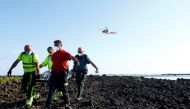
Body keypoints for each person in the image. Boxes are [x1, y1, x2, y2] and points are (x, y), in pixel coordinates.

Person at [45, 40, 79, 109]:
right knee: (51, 91)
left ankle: (67, 104)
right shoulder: (54, 55)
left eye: (57, 45)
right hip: (54, 74)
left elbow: (75, 59)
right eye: (55, 45)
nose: (56, 47)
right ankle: (48, 106)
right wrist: (50, 74)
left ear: (61, 45)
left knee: (64, 90)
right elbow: (53, 65)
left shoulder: (65, 53)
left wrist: (75, 68)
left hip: (62, 74)